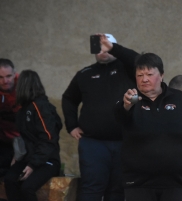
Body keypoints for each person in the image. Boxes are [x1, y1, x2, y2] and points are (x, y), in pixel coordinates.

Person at [104, 35, 182, 201]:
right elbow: (119, 117)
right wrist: (126, 106)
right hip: (138, 183)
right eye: (140, 75)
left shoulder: (181, 100)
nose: (144, 79)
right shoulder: (129, 100)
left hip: (177, 182)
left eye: (149, 74)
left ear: (161, 75)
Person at [62, 34, 135, 201]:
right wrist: (72, 125)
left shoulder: (129, 69)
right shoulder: (84, 74)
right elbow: (69, 99)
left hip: (123, 141)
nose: (103, 51)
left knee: (118, 189)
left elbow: (138, 59)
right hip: (93, 143)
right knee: (90, 187)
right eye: (99, 47)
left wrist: (114, 48)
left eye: (107, 47)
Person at [4, 70, 62, 201]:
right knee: (10, 180)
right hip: (29, 158)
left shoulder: (40, 106)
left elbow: (48, 137)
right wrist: (17, 156)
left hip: (48, 160)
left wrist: (32, 165)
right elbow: (24, 138)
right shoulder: (22, 110)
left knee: (27, 188)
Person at [0, 58, 20, 177]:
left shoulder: (25, 86)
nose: (5, 81)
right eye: (0, 77)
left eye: (8, 76)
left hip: (23, 140)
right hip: (3, 139)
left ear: (14, 73)